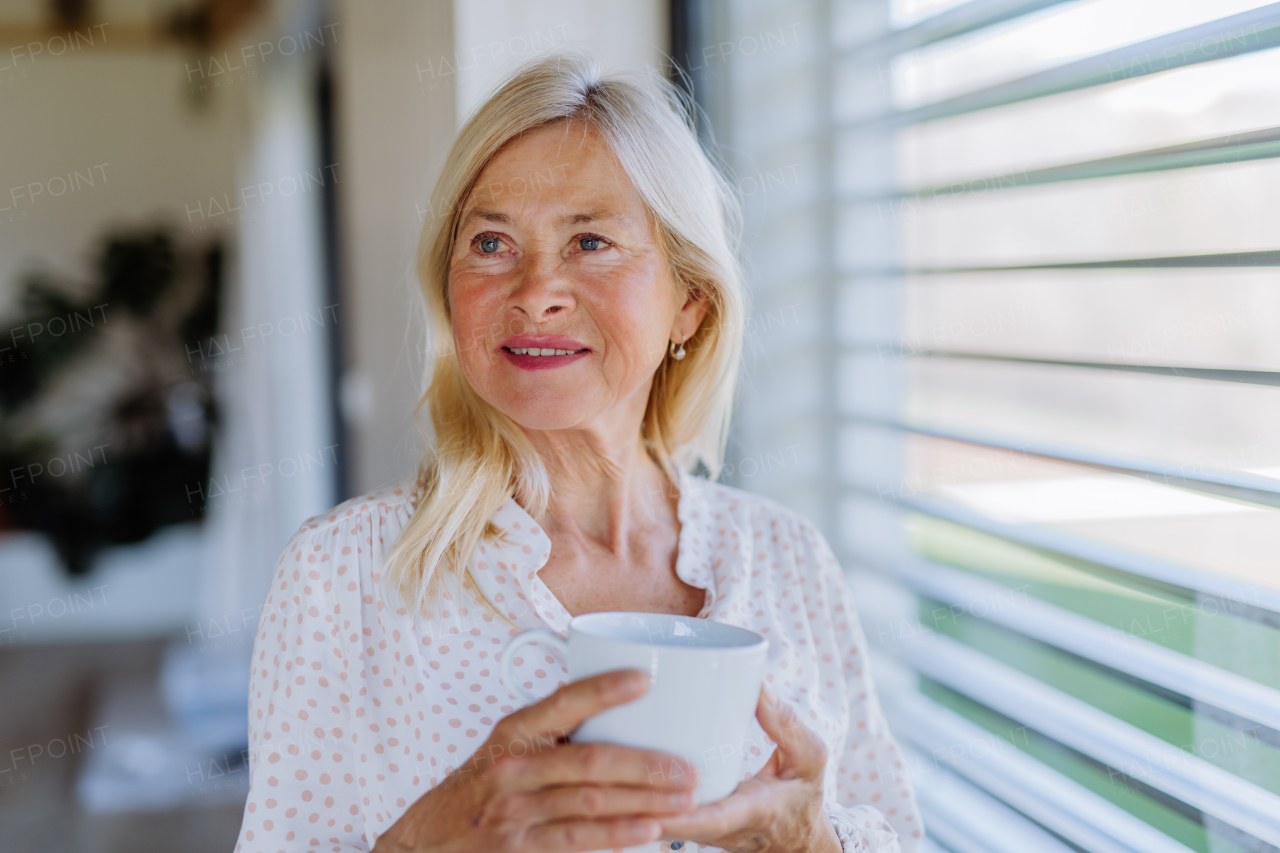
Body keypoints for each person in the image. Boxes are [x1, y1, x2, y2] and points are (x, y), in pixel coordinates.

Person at [232, 52, 921, 853]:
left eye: (590, 241)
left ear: (689, 304)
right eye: (491, 243)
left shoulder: (785, 557)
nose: (534, 291)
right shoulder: (341, 575)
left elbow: (899, 831)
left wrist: (811, 843)